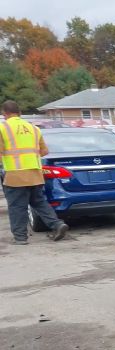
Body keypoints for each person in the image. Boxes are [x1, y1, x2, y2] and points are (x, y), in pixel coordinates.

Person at [0, 100, 69, 245]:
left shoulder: (3, 127)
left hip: (15, 175)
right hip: (35, 174)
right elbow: (44, 151)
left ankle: (20, 237)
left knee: (17, 207)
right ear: (19, 112)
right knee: (39, 203)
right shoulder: (33, 128)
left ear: (4, 113)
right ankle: (57, 224)